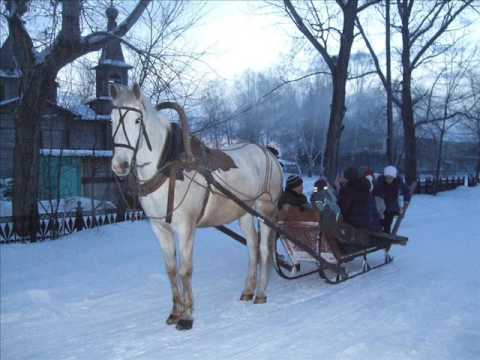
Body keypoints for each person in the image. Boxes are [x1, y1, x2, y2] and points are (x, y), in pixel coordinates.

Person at [373, 165, 411, 233]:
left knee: (387, 224)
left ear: (394, 177)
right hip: (381, 205)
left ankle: (386, 239)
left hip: (392, 206)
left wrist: (406, 201)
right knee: (379, 223)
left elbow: (406, 191)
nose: (389, 180)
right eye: (387, 178)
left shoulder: (398, 181)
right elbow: (375, 193)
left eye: (390, 178)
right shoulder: (380, 181)